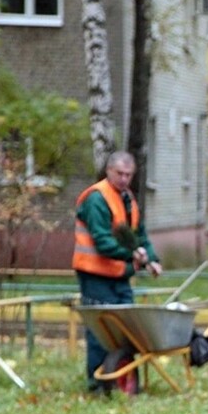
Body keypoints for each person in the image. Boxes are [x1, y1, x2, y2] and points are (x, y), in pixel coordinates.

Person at [72, 151, 162, 392]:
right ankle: (98, 382)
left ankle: (125, 381)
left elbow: (139, 235)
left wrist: (152, 259)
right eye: (119, 174)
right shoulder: (97, 199)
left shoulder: (127, 200)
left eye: (128, 175)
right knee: (100, 332)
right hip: (95, 275)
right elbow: (102, 241)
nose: (124, 179)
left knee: (125, 331)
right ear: (109, 171)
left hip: (120, 275)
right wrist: (133, 255)